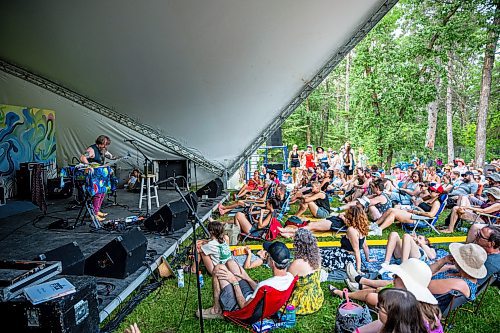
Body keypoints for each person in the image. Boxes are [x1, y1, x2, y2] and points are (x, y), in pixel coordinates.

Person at [334, 258, 441, 333]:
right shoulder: (417, 307)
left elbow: (386, 324)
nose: (393, 277)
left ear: (406, 283)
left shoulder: (405, 313)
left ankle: (357, 286)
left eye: (396, 276)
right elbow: (384, 323)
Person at [198, 241, 294, 319]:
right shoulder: (290, 277)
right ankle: (231, 281)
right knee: (231, 262)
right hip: (255, 302)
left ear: (272, 262)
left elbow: (243, 306)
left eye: (267, 255)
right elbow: (260, 291)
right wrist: (246, 277)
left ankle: (216, 310)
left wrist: (234, 282)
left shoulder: (265, 285)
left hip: (242, 311)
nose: (266, 256)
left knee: (218, 268)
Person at [376, 185, 445, 231]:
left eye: (432, 191)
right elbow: (417, 202)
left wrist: (416, 212)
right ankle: (375, 224)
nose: (430, 191)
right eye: (430, 189)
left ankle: (379, 230)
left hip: (421, 219)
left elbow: (431, 215)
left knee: (394, 213)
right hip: (415, 214)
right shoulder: (429, 198)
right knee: (391, 209)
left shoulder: (436, 203)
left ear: (438, 193)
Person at [287, 229, 324, 314]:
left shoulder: (297, 263)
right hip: (315, 296)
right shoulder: (317, 258)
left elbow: (286, 282)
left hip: (301, 302)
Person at [79, 135, 113, 222]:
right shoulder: (91, 149)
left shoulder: (102, 150)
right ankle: (94, 213)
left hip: (100, 176)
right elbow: (82, 157)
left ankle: (97, 211)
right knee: (97, 193)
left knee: (102, 192)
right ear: (99, 143)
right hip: (94, 176)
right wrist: (88, 165)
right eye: (104, 144)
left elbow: (110, 156)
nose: (105, 147)